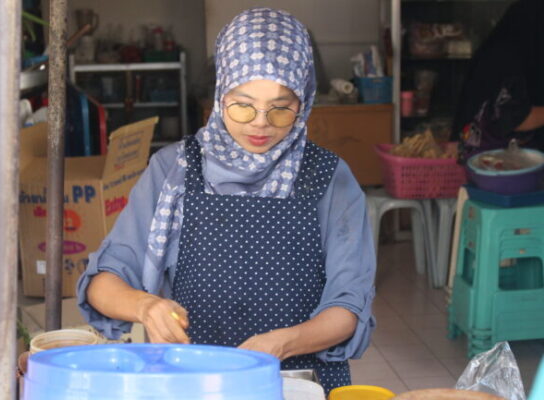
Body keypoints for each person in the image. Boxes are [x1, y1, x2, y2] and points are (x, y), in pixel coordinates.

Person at [77, 7, 376, 392]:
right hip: (193, 381)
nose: (260, 122)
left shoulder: (330, 178)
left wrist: (282, 344)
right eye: (243, 103)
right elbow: (104, 282)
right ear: (221, 94)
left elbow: (348, 306)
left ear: (304, 99)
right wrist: (145, 306)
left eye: (281, 107)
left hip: (300, 382)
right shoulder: (175, 170)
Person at [453, 0, 544, 163]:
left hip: (481, 157)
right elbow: (516, 119)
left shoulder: (506, 48)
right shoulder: (507, 60)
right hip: (490, 163)